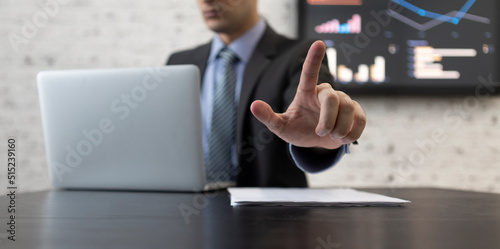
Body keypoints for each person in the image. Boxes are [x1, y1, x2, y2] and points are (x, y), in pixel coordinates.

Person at [166, 0, 366, 187]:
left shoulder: (299, 55)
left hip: (271, 218)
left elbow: (311, 116)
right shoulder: (178, 62)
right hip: (187, 212)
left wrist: (323, 130)